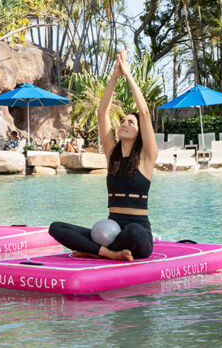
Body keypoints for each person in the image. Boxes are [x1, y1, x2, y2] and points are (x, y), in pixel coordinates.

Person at [48, 50, 159, 261]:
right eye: (123, 121)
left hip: (137, 235)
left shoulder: (147, 157)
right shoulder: (113, 154)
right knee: (56, 228)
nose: (124, 123)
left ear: (139, 132)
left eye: (130, 122)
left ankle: (92, 251)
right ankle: (108, 254)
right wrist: (114, 77)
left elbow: (144, 113)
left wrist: (128, 75)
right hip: (110, 233)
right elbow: (102, 113)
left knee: (134, 231)